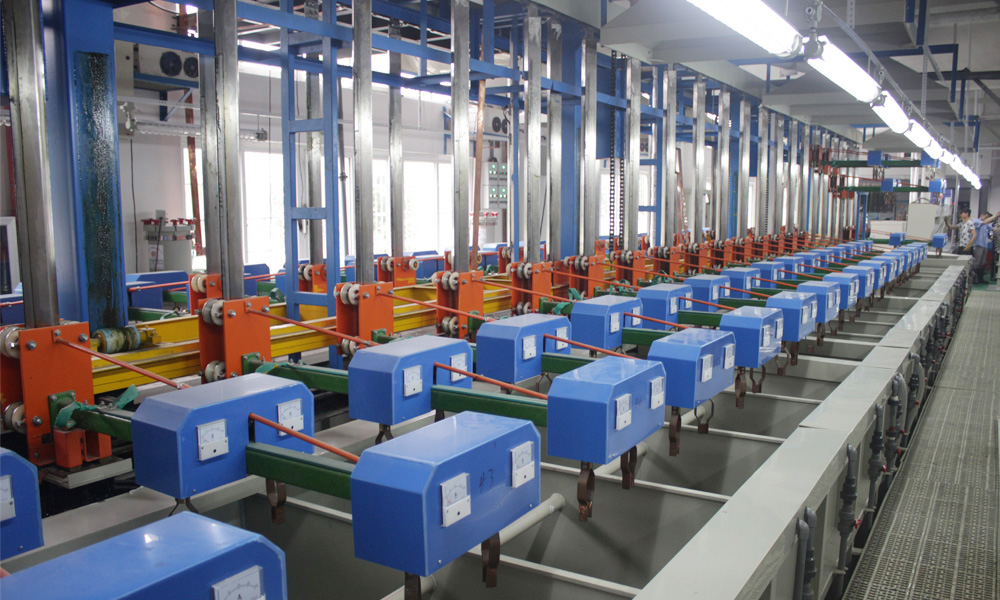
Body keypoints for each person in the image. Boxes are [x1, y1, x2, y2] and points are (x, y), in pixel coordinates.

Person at [975, 211, 999, 283]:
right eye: (987, 217)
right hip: (978, 245)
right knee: (977, 263)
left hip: (985, 245)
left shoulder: (986, 225)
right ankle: (974, 279)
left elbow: (994, 229)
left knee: (982, 263)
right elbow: (984, 222)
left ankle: (980, 279)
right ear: (982, 215)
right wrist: (995, 216)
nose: (988, 219)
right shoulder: (976, 221)